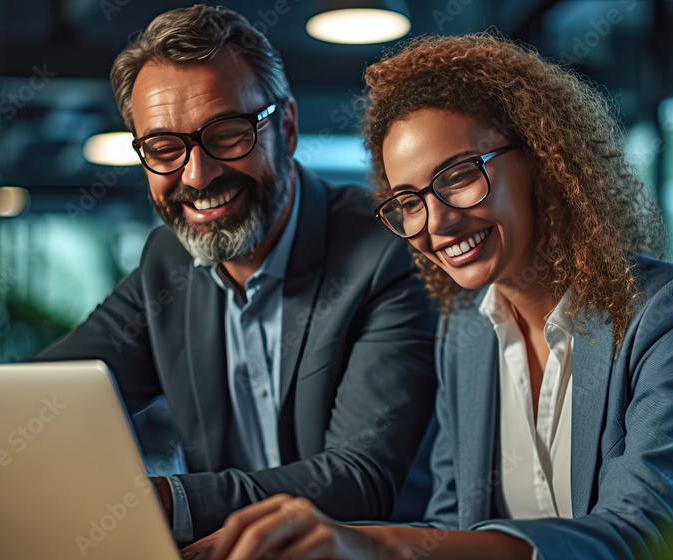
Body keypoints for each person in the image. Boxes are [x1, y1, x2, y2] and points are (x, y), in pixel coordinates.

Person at [181, 33, 673, 560]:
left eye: (457, 176)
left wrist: (378, 544)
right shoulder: (464, 328)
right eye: (408, 201)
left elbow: (637, 536)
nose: (436, 223)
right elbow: (450, 523)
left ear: (540, 158)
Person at [35, 5, 437, 543]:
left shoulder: (386, 253)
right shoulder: (170, 259)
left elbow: (360, 480)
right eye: (163, 148)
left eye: (227, 133)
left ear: (287, 128)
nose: (197, 175)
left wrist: (161, 500)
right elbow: (48, 397)